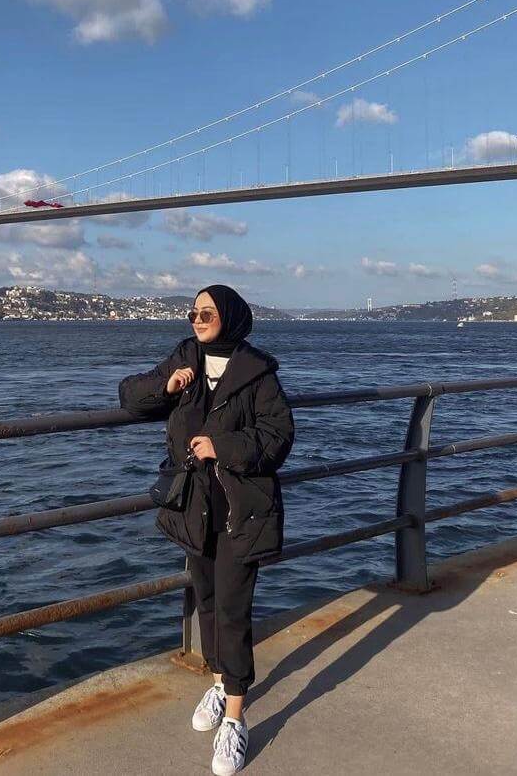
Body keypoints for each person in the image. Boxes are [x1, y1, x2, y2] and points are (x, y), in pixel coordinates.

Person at [118, 284, 294, 775]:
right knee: (209, 602)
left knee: (234, 610)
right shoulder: (186, 357)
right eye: (193, 312)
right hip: (194, 509)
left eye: (207, 313)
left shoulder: (256, 370)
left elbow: (279, 437)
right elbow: (129, 395)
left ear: (231, 316)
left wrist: (221, 446)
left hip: (242, 512)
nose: (197, 319)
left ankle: (235, 718)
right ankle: (220, 684)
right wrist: (167, 388)